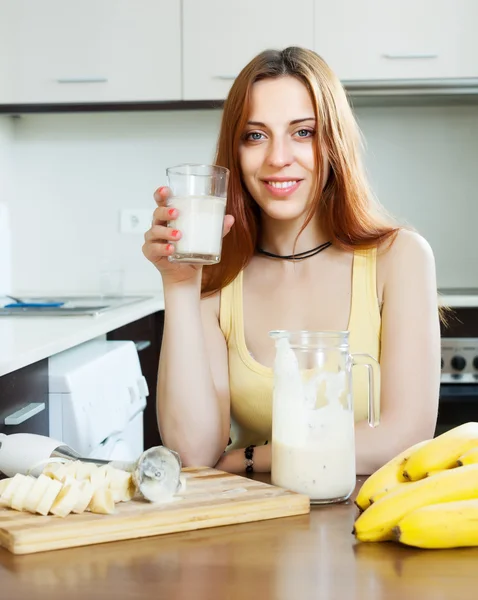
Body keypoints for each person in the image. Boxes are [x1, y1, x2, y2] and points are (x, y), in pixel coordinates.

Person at [142, 46, 441, 476]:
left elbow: (406, 437)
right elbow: (192, 453)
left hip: (365, 516)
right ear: (236, 152)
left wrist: (250, 457)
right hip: (252, 527)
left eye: (303, 132)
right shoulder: (218, 272)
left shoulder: (401, 257)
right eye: (255, 135)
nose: (277, 157)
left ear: (333, 143)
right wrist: (179, 285)